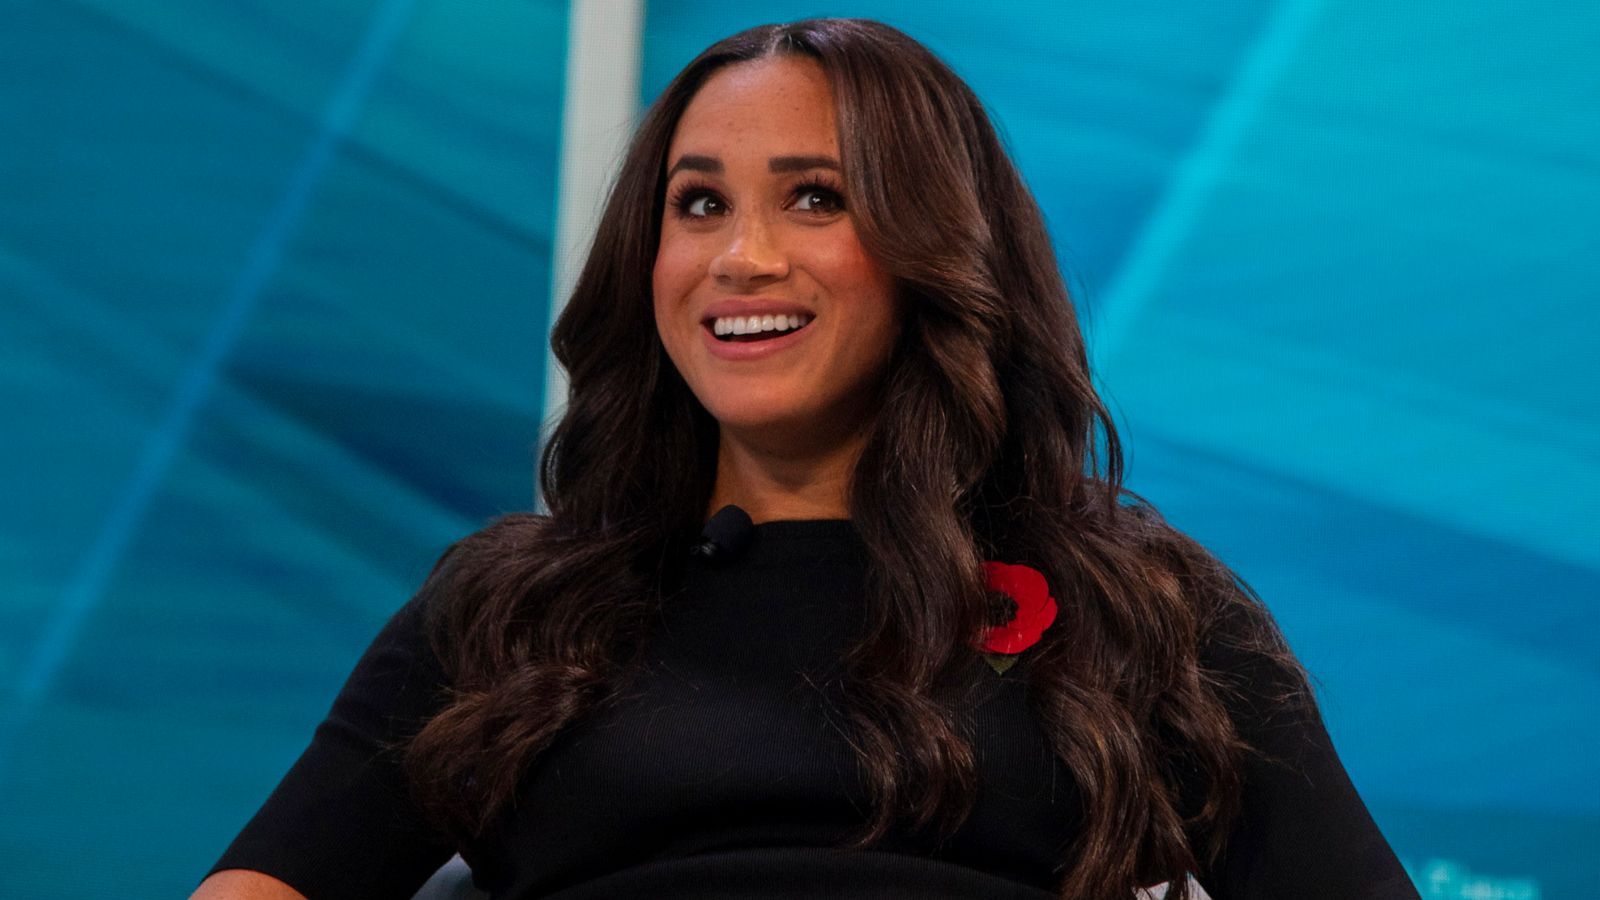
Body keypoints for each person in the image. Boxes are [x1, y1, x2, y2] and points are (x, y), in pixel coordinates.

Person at [193, 18, 1420, 900]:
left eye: (816, 199)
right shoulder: (512, 605)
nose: (742, 259)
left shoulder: (1136, 603)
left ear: (933, 252)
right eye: (699, 205)